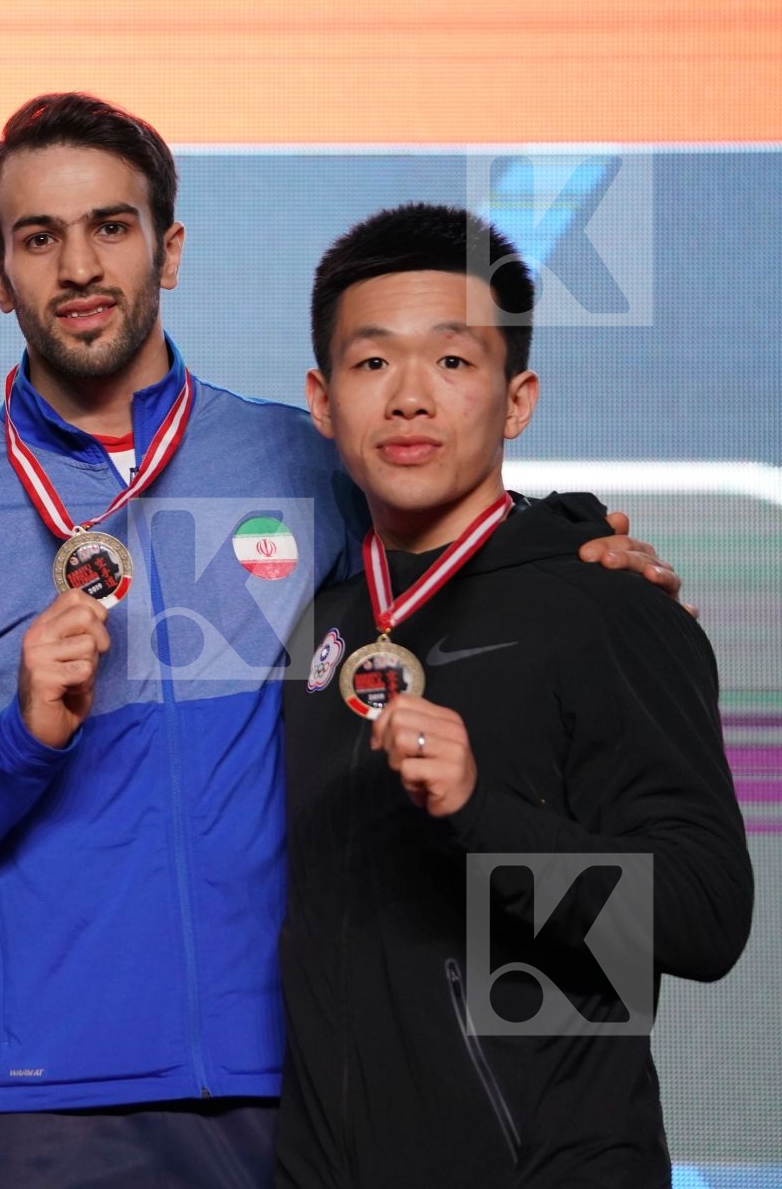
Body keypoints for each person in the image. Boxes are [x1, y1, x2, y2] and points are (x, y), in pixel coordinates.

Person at [0, 92, 683, 1186]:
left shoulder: (309, 463)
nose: (80, 265)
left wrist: (588, 556)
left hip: (310, 1094)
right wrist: (22, 746)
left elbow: (465, 564)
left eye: (113, 227)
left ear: (169, 249)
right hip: (41, 1111)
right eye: (39, 238)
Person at [276, 203, 752, 1188]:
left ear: (518, 396)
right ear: (322, 401)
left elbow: (707, 919)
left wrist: (480, 814)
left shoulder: (606, 608)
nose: (409, 399)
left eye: (451, 363)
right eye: (372, 364)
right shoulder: (307, 624)